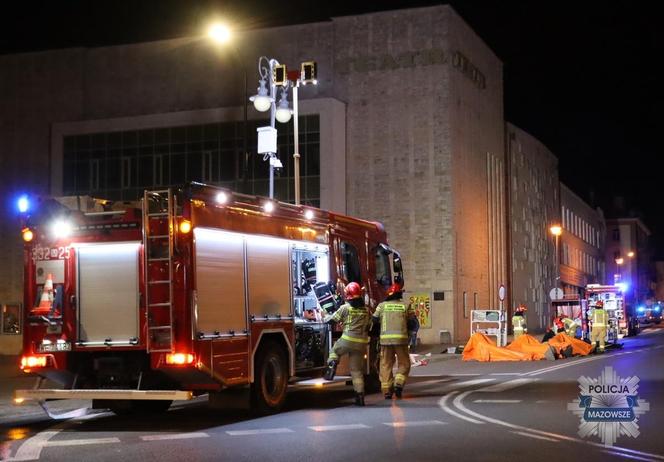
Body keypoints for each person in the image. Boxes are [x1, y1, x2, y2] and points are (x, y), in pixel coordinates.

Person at [323, 282, 371, 406]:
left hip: (348, 339)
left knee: (335, 351)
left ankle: (332, 366)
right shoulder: (366, 310)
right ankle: (360, 398)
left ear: (347, 294)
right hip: (361, 343)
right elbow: (369, 325)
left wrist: (324, 316)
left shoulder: (345, 308)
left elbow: (332, 319)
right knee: (356, 371)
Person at [373, 282, 416, 399]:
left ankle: (387, 390)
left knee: (385, 365)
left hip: (385, 342)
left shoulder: (381, 306)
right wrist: (412, 335)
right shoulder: (406, 305)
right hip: (401, 340)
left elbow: (374, 320)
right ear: (399, 294)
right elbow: (413, 322)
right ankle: (398, 384)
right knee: (404, 363)